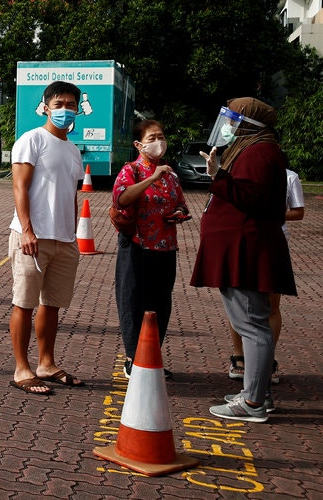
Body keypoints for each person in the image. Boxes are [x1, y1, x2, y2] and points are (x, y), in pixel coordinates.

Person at [192, 97, 296, 422]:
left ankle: (252, 402)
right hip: (241, 246)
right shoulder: (256, 150)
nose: (228, 125)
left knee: (252, 325)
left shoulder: (259, 152)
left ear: (248, 124)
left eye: (234, 118)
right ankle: (256, 392)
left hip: (245, 248)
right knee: (251, 323)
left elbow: (251, 198)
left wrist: (218, 176)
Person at [7, 81, 86, 396]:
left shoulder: (72, 149)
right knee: (24, 303)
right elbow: (19, 187)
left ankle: (46, 364)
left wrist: (73, 235)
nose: (65, 109)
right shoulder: (32, 140)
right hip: (32, 237)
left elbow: (71, 195)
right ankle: (21, 368)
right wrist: (27, 229)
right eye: (59, 103)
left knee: (52, 305)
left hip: (64, 239)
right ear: (45, 105)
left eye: (71, 104)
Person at [111, 119, 190, 379]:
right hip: (137, 245)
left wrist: (178, 212)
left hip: (165, 246)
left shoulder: (172, 174)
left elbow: (181, 203)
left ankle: (151, 356)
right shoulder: (131, 170)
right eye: (153, 137)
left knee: (160, 304)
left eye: (161, 136)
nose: (159, 142)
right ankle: (133, 358)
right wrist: (152, 178)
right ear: (139, 144)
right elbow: (121, 199)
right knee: (133, 302)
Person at [226, 163, 304, 386]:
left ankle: (267, 360)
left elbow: (298, 212)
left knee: (271, 305)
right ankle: (239, 356)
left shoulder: (290, 177)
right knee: (238, 303)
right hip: (243, 243)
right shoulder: (242, 174)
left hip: (273, 245)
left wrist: (271, 214)